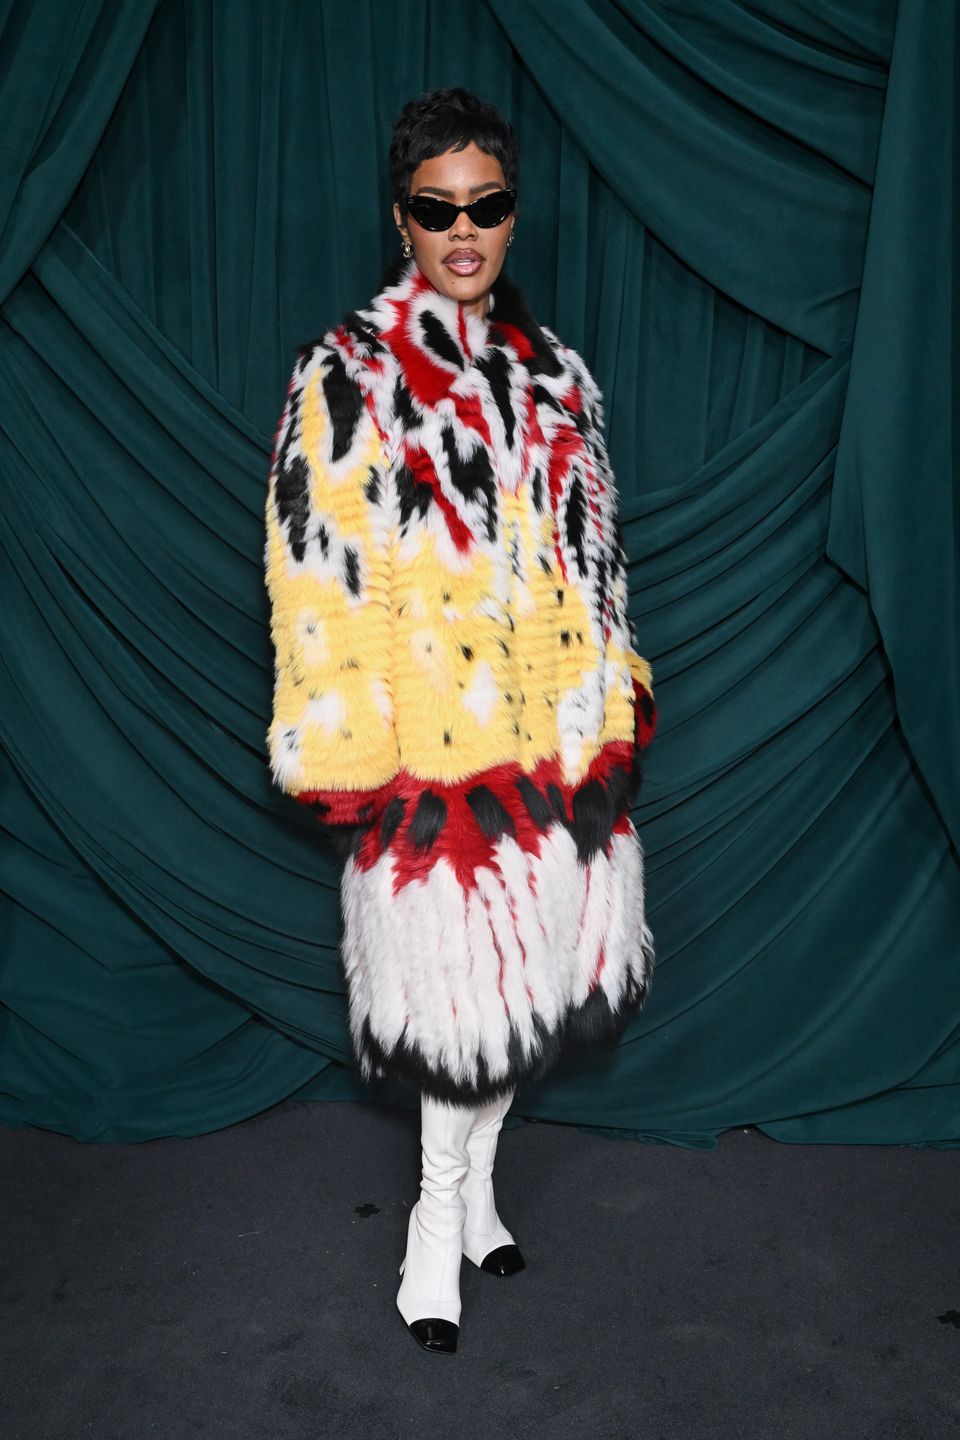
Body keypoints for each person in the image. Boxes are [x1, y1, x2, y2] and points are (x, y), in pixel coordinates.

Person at [263, 87, 657, 1355]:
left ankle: (481, 1187)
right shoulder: (351, 378)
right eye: (439, 209)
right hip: (432, 759)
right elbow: (315, 578)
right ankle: (433, 1223)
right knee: (457, 1009)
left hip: (554, 748)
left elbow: (600, 563)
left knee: (525, 996)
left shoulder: (560, 381)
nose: (465, 229)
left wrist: (608, 709)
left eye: (486, 204)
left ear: (512, 213)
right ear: (402, 220)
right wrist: (357, 759)